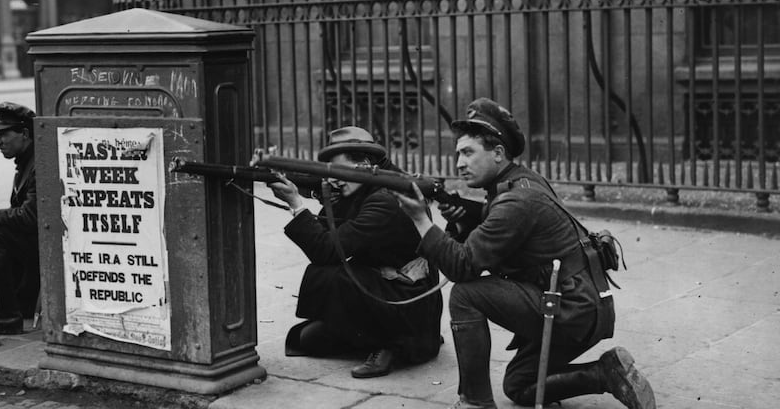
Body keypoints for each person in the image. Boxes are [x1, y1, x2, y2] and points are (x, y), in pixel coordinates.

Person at [395, 98, 655, 409]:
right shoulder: (523, 181)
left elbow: (463, 266)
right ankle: (606, 373)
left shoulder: (514, 202)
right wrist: (466, 216)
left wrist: (422, 220)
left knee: (466, 294)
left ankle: (475, 402)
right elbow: (501, 223)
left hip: (572, 311)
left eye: (468, 153)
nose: (459, 163)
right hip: (586, 306)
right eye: (457, 155)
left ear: (498, 153)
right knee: (519, 385)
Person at [268, 126, 444, 379]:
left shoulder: (385, 199)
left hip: (403, 297)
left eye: (339, 171)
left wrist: (296, 205)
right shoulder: (368, 188)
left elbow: (327, 250)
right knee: (308, 339)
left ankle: (393, 345)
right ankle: (402, 335)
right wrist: (329, 200)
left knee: (330, 274)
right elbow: (331, 232)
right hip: (385, 288)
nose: (333, 179)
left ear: (364, 165)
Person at [0, 102, 39, 335]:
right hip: (38, 246)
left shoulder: (36, 164)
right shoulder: (27, 160)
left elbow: (29, 216)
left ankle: (9, 316)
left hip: (44, 247)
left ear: (24, 134)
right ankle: (17, 304)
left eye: (4, 135)